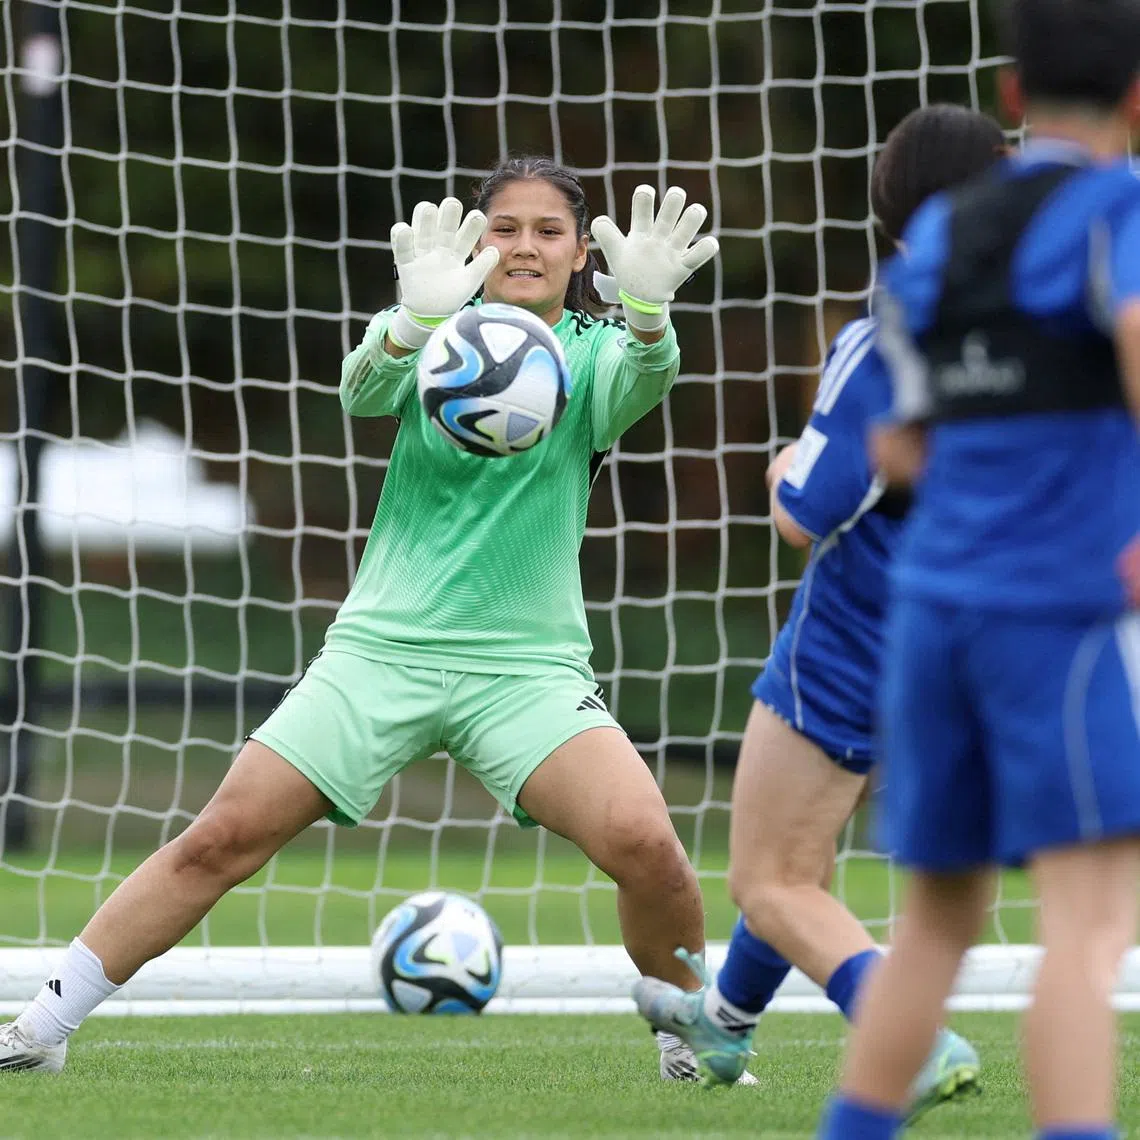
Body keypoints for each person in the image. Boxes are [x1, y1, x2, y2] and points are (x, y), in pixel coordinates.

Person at [0, 155, 728, 1082]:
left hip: (527, 669)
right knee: (222, 836)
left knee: (650, 849)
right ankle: (42, 1027)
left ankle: (689, 1043)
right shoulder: (433, 323)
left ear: (584, 253)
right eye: (506, 227)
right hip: (382, 650)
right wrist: (415, 321)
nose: (526, 246)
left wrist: (651, 314)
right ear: (475, 238)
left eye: (549, 231)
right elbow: (361, 391)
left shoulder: (593, 355)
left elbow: (642, 381)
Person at [631, 104, 1006, 1112]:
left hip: (852, 642)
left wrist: (782, 469)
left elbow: (811, 508)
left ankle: (909, 1035)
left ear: (889, 205)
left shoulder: (888, 329)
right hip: (963, 645)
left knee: (769, 880)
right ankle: (723, 1022)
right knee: (805, 858)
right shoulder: (1028, 326)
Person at [816, 0, 1140, 1136]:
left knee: (934, 926)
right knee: (1090, 928)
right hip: (1055, 614)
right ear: (1138, 99)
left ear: (1010, 94)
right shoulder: (1117, 211)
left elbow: (899, 444)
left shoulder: (941, 235)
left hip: (930, 613)